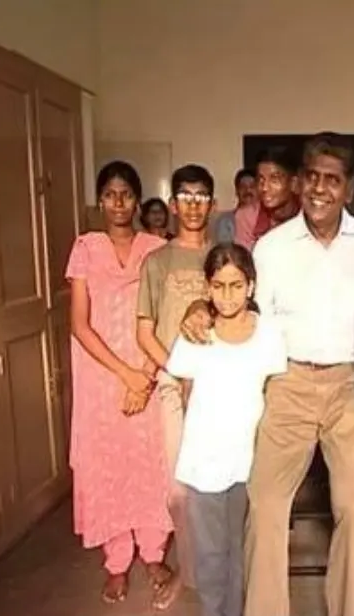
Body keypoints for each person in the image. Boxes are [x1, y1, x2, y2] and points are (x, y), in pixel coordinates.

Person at [180, 133, 354, 616]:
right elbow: (243, 308)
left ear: (349, 188)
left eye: (332, 180)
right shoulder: (272, 248)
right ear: (298, 182)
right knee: (266, 504)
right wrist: (201, 306)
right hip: (288, 383)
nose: (320, 189)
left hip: (351, 387)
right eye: (312, 177)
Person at [66, 161, 174, 607]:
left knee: (150, 462)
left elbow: (166, 319)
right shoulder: (86, 247)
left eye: (126, 194)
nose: (118, 203)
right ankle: (116, 561)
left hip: (148, 375)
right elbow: (79, 323)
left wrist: (144, 377)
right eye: (109, 195)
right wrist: (124, 373)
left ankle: (153, 553)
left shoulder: (156, 248)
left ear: (137, 198)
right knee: (107, 463)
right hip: (101, 378)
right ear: (100, 200)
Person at [166, 243, 287, 616]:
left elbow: (275, 391)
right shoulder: (197, 333)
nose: (227, 295)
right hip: (205, 461)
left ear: (251, 286)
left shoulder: (268, 333)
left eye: (236, 285)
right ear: (207, 287)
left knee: (240, 550)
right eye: (218, 286)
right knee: (210, 556)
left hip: (249, 459)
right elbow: (184, 389)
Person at [136, 164, 217, 595]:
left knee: (223, 484)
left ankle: (221, 570)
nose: (192, 205)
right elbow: (144, 333)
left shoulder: (225, 256)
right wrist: (178, 373)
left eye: (201, 196)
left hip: (223, 389)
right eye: (184, 196)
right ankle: (189, 571)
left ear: (213, 205)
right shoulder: (157, 261)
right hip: (172, 386)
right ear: (172, 205)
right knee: (180, 489)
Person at [254, 146, 300, 228]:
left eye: (274, 180)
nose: (265, 188)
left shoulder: (311, 217)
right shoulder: (249, 217)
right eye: (261, 180)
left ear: (294, 183)